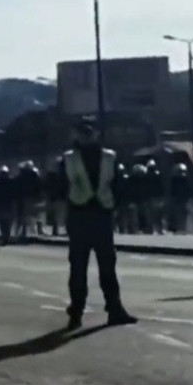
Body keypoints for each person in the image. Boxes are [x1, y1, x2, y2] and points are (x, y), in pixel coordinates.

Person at [60, 119, 137, 331]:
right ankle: (76, 312)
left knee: (107, 266)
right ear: (77, 135)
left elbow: (120, 184)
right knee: (78, 268)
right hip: (80, 216)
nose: (86, 136)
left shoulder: (109, 157)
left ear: (96, 134)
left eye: (89, 132)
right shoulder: (68, 159)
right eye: (83, 132)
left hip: (101, 215)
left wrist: (117, 206)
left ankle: (115, 309)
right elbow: (58, 186)